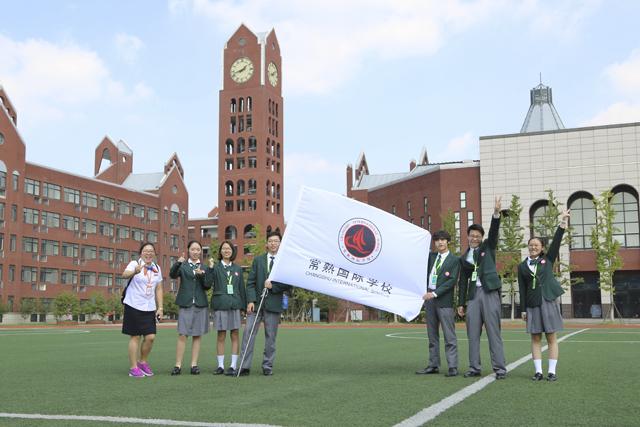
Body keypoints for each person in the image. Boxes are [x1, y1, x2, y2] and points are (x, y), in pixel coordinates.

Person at [457, 196, 507, 379]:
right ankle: (474, 367)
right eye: (472, 235)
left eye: (478, 236)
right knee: (473, 334)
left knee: (494, 332)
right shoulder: (464, 258)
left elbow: (494, 232)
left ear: (481, 238)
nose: (475, 238)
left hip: (489, 292)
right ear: (468, 237)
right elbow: (462, 281)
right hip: (473, 296)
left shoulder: (488, 247)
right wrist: (461, 302)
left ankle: (500, 369)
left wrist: (496, 214)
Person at [519, 209, 570, 382]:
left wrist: (562, 223)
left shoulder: (547, 260)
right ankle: (538, 372)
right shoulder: (522, 266)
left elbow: (556, 242)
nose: (533, 247)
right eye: (531, 245)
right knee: (535, 337)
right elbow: (522, 287)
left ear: (541, 248)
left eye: (536, 245)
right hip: (532, 303)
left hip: (548, 300)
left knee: (551, 337)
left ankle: (552, 372)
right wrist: (523, 309)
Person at [238, 230, 291, 376]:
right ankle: (244, 366)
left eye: (276, 241)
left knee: (270, 337)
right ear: (266, 244)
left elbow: (288, 284)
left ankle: (267, 365)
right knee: (248, 333)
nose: (273, 243)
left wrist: (274, 287)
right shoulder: (258, 260)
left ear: (280, 244)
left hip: (273, 304)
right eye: (271, 241)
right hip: (256, 304)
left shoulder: (283, 262)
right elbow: (250, 282)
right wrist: (250, 300)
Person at [416, 230, 460, 377]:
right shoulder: (431, 257)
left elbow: (451, 281)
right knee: (432, 335)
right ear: (434, 243)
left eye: (443, 240)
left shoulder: (454, 260)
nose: (440, 242)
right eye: (437, 240)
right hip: (429, 301)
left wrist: (434, 293)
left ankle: (452, 366)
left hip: (443, 301)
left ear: (448, 241)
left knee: (449, 336)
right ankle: (433, 364)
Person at [169, 240, 212, 376]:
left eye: (198, 249)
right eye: (193, 249)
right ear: (188, 250)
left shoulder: (204, 267)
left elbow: (207, 285)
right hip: (186, 302)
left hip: (200, 303)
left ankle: (194, 365)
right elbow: (172, 274)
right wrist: (178, 262)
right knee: (183, 334)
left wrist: (203, 275)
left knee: (197, 335)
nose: (195, 252)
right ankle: (178, 365)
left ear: (201, 251)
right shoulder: (183, 265)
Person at [121, 242, 163, 378]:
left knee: (151, 337)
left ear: (154, 254)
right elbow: (124, 274)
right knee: (135, 336)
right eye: (146, 251)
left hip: (149, 307)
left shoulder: (157, 268)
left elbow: (159, 288)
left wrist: (160, 307)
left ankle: (142, 362)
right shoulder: (134, 264)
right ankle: (133, 368)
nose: (148, 253)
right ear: (141, 253)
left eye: (151, 251)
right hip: (133, 305)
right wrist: (135, 271)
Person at [208, 240, 246, 376]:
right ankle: (220, 366)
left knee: (235, 334)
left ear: (232, 251)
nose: (226, 251)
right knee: (221, 335)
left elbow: (242, 288)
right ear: (220, 251)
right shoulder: (216, 267)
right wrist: (210, 268)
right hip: (220, 304)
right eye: (224, 249)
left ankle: (233, 365)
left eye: (229, 248)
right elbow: (207, 283)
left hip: (234, 304)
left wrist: (244, 306)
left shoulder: (237, 269)